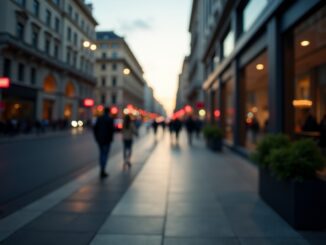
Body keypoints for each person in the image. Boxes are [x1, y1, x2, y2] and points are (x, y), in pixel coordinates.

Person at [93, 107, 115, 178]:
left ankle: (102, 169)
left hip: (100, 139)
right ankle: (103, 170)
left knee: (101, 154)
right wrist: (111, 139)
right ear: (109, 112)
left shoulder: (99, 118)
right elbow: (112, 130)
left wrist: (96, 138)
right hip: (107, 140)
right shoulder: (110, 119)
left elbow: (95, 128)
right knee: (105, 154)